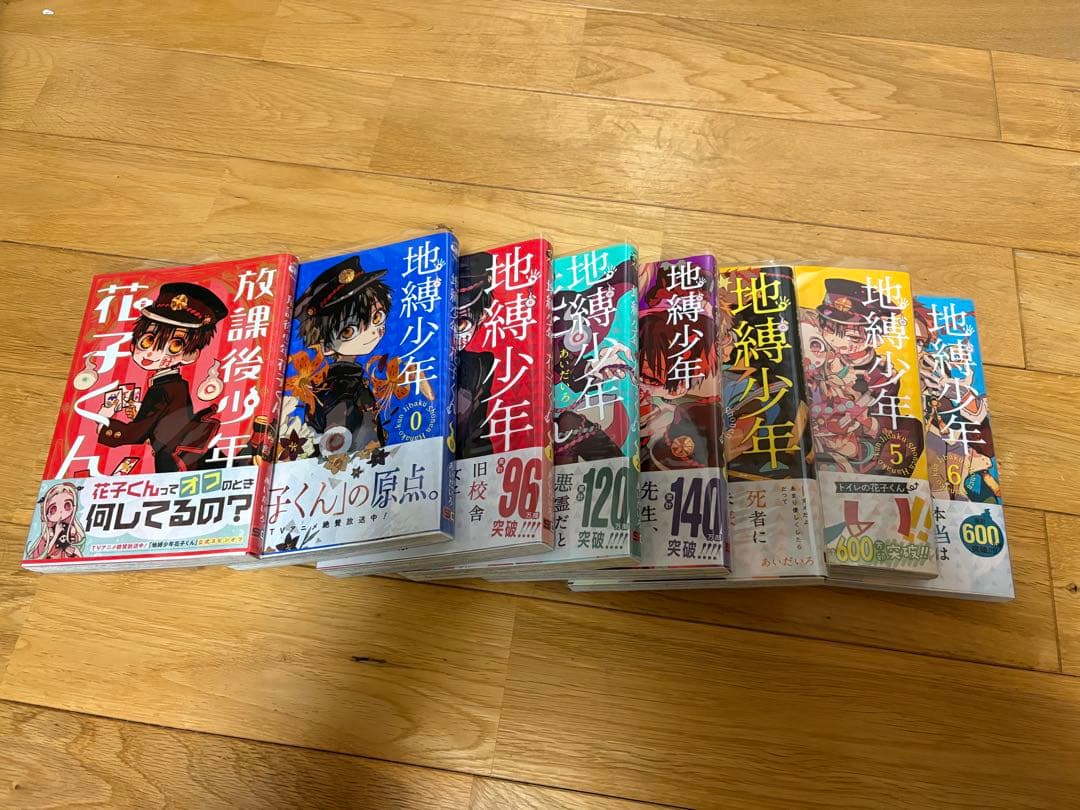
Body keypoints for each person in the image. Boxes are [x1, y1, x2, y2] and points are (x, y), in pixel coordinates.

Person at [97, 282, 227, 472]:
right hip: (182, 455)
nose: (152, 353)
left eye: (174, 346)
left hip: (175, 460)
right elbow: (166, 419)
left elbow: (136, 433)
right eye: (148, 340)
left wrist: (103, 421)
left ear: (190, 355)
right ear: (134, 343)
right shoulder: (174, 384)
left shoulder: (164, 389)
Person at [294, 255, 391, 455]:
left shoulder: (344, 380)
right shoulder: (341, 387)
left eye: (377, 317)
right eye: (349, 331)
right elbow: (337, 442)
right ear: (326, 347)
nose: (372, 331)